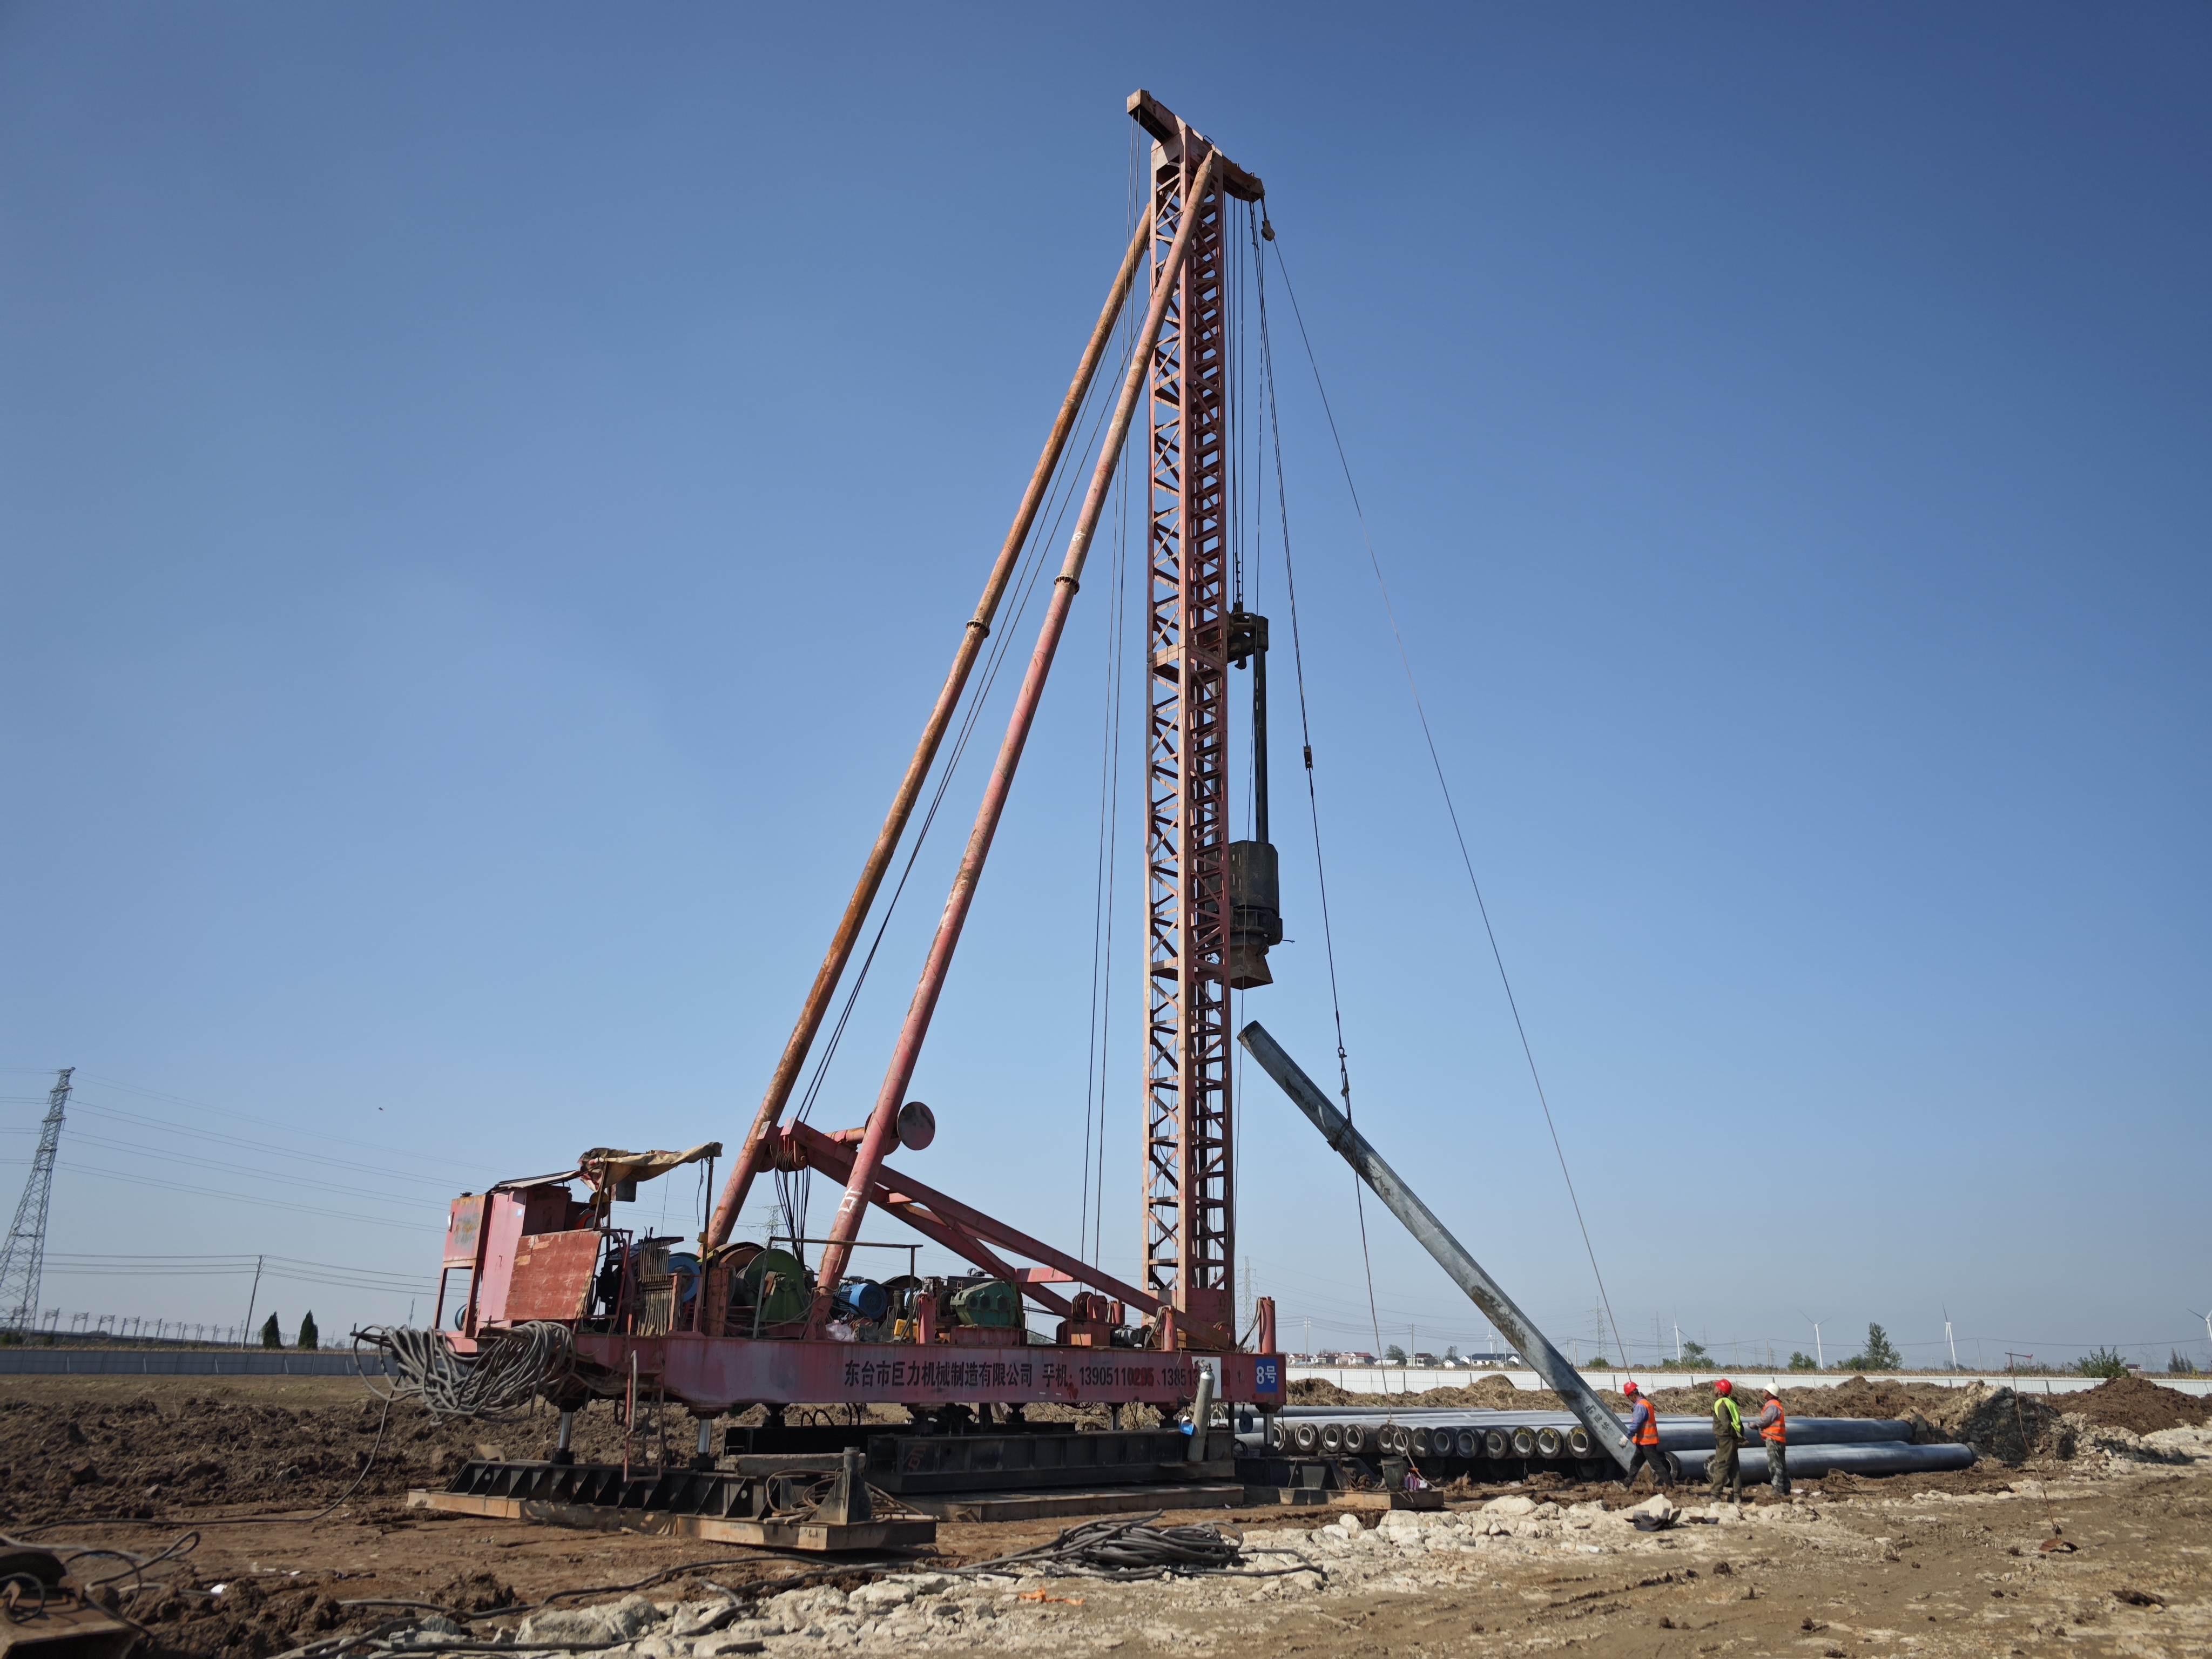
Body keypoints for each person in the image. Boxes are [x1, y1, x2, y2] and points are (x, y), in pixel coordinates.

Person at [1621, 1380, 1673, 1492]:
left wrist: (1627, 1437)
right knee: (1635, 1463)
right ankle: (1626, 1484)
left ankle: (1670, 1486)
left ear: (1632, 1395)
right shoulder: (1645, 1403)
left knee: (1657, 1465)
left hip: (1647, 1442)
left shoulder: (1640, 1407)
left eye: (1628, 1397)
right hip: (1644, 1442)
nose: (1629, 1400)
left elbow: (1636, 1425)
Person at [1744, 1385, 1790, 1494]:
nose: (1763, 1392)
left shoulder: (1772, 1406)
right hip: (1778, 1439)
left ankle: (1778, 1490)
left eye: (1765, 1391)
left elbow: (1766, 1420)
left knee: (1775, 1465)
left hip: (1773, 1440)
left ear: (1771, 1394)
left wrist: (1755, 1425)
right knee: (1782, 1465)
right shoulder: (1776, 1405)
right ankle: (1786, 1489)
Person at [1708, 1378, 1744, 1505]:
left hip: (1725, 1439)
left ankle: (1715, 1495)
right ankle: (1737, 1496)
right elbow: (1738, 1421)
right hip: (1733, 1439)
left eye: (1716, 1387)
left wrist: (1732, 1435)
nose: (1714, 1389)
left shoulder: (1720, 1403)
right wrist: (1738, 1436)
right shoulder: (1731, 1402)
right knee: (1735, 1468)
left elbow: (1726, 1423)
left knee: (1721, 1466)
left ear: (1720, 1391)